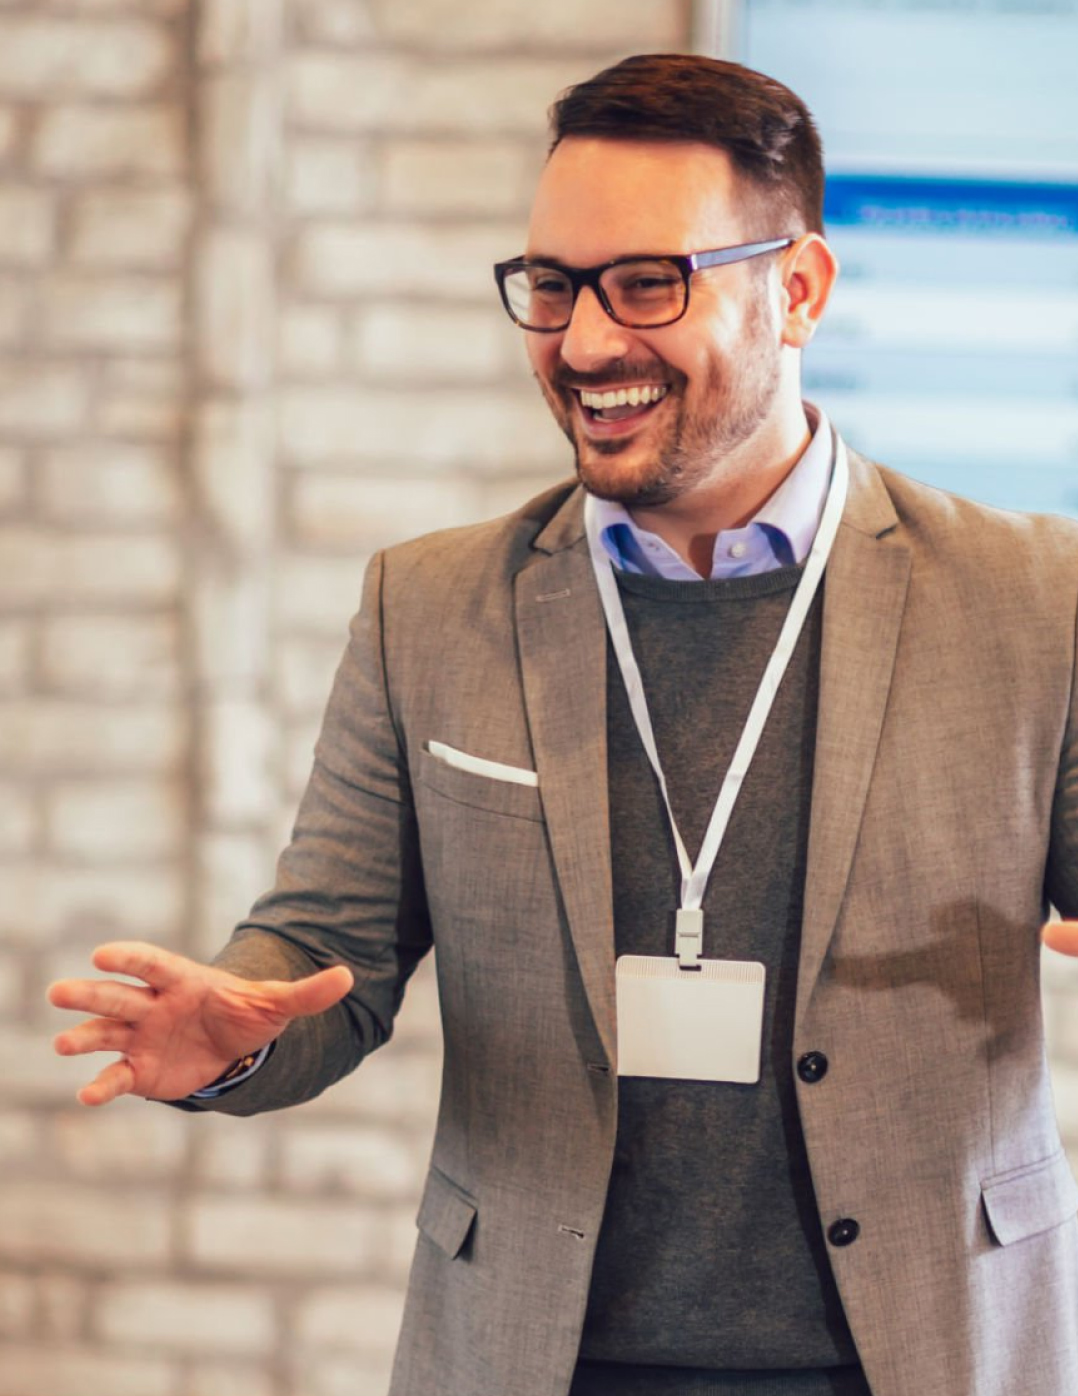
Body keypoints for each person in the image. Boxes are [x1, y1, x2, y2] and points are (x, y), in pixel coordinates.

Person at [48, 53, 1078, 1396]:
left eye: (649, 282)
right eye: (553, 284)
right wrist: (230, 1043)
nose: (586, 342)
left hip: (925, 1344)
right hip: (540, 1355)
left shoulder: (1031, 597)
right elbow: (324, 949)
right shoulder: (429, 606)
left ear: (800, 290)